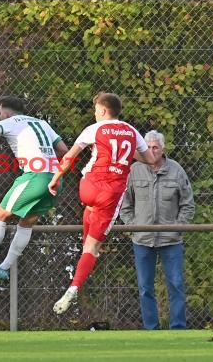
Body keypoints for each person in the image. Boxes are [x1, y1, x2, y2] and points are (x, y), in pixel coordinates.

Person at [47, 92, 156, 315]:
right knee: (92, 248)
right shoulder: (132, 131)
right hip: (111, 193)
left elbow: (69, 157)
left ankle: (84, 248)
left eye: (96, 110)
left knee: (90, 211)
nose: (95, 114)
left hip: (88, 186)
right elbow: (150, 160)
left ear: (104, 111)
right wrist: (126, 157)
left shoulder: (94, 129)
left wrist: (55, 179)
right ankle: (73, 288)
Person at [0, 96, 68, 281]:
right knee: (27, 222)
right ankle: (3, 268)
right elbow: (63, 150)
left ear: (4, 111)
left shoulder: (10, 122)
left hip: (35, 176)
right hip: (56, 179)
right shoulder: (41, 123)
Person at [120, 130, 195, 330]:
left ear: (163, 150)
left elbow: (188, 205)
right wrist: (132, 226)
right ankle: (151, 329)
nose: (152, 151)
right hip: (142, 241)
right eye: (148, 147)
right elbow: (124, 204)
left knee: (176, 285)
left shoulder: (177, 170)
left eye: (156, 147)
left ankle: (178, 328)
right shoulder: (134, 170)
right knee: (145, 287)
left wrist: (178, 228)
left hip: (171, 241)